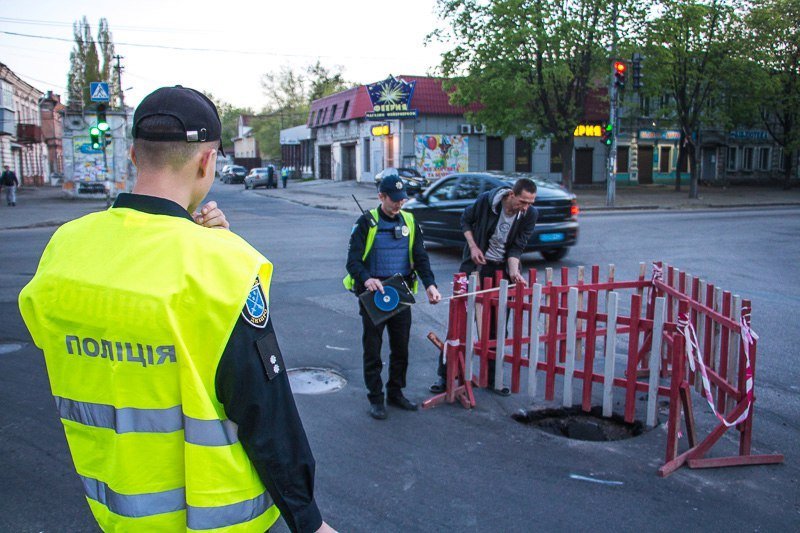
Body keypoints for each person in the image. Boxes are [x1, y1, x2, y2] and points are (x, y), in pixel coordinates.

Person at [18, 86, 334, 533]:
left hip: (114, 510)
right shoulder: (223, 264)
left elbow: (54, 333)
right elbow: (265, 409)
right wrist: (307, 518)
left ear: (133, 155)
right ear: (207, 162)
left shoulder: (64, 247)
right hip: (219, 519)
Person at [345, 174, 442, 420]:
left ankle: (396, 392)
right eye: (394, 199)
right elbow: (353, 261)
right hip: (374, 293)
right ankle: (376, 398)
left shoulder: (409, 220)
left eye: (402, 199)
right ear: (381, 197)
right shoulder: (366, 222)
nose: (399, 203)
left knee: (401, 348)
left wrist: (430, 285)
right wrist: (367, 278)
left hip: (400, 292)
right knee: (373, 350)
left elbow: (420, 257)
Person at [430, 178, 538, 396]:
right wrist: (473, 247)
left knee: (497, 326)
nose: (526, 207)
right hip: (476, 267)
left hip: (501, 271)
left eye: (530, 203)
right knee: (460, 322)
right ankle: (446, 376)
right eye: (523, 202)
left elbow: (518, 246)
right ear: (511, 195)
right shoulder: (486, 201)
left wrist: (514, 272)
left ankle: (492, 378)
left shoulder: (530, 215)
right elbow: (465, 220)